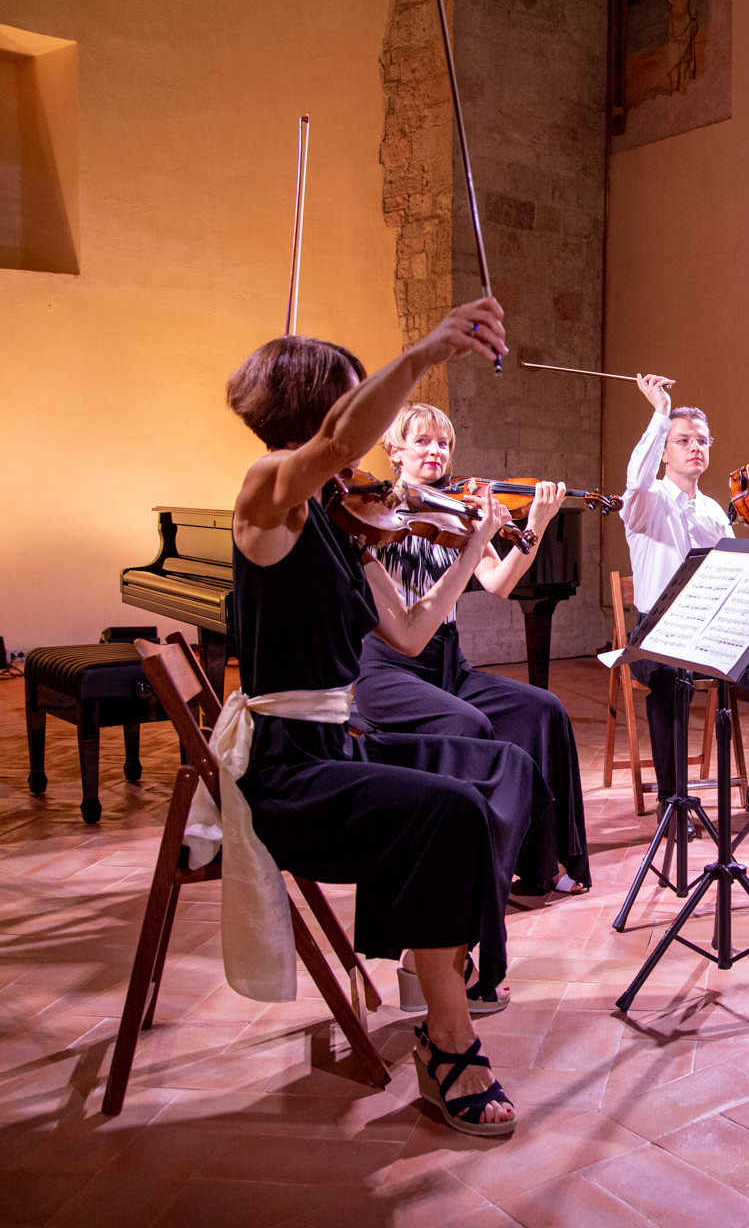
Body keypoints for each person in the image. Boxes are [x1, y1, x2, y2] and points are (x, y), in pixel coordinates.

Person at [225, 297, 530, 1137]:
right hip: (289, 768)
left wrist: (476, 545)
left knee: (499, 765)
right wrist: (428, 350)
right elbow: (334, 444)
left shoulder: (333, 522)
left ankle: (435, 955)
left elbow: (408, 629)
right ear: (324, 413)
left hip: (340, 742)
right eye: (356, 404)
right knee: (448, 811)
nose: (362, 437)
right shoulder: (268, 497)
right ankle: (448, 1038)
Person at [351, 402, 591, 899]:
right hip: (388, 671)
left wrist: (538, 524)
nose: (436, 451)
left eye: (443, 443)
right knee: (468, 725)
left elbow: (500, 583)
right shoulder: (372, 512)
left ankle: (541, 866)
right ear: (395, 452)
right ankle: (475, 876)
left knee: (542, 709)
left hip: (447, 664)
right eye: (422, 441)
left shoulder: (458, 513)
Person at [622, 373, 749, 823]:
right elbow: (635, 479)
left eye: (702, 440)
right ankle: (673, 803)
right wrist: (660, 415)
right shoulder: (645, 502)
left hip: (711, 629)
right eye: (683, 440)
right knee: (668, 677)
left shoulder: (716, 513)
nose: (695, 447)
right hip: (657, 630)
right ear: (664, 450)